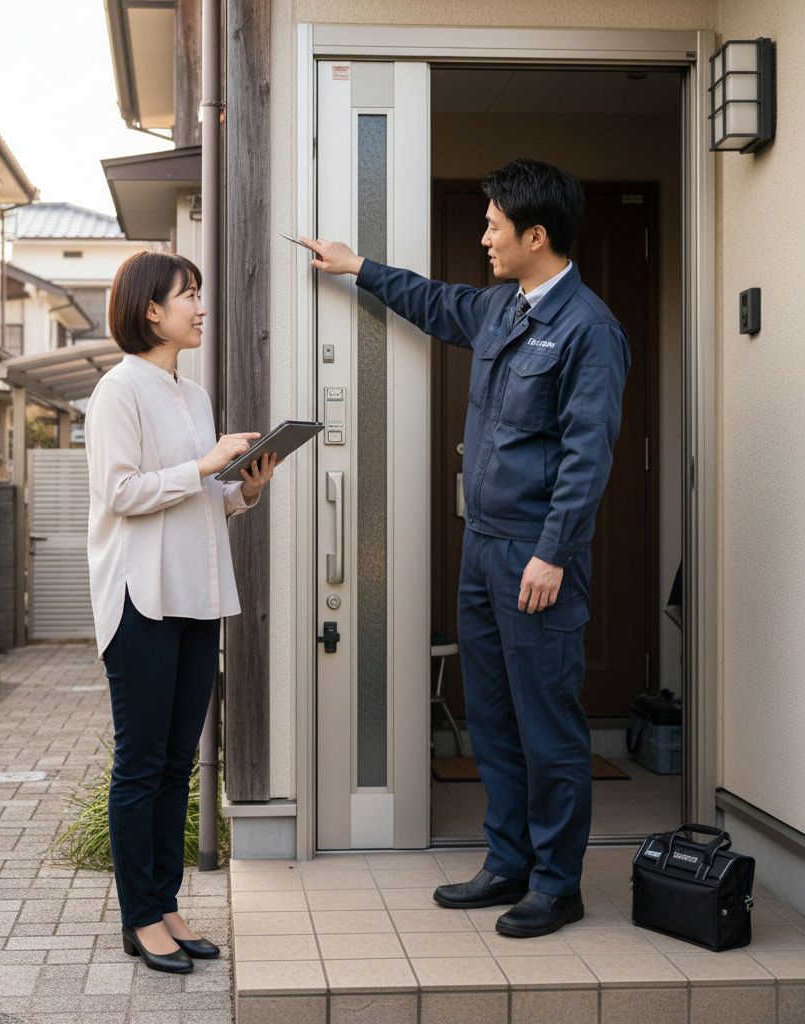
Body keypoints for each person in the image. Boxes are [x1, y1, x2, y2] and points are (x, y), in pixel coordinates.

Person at [303, 158, 630, 938]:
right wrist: (358, 267)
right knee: (490, 718)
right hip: (481, 550)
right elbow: (432, 302)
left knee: (546, 724)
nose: (483, 236)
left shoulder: (589, 330)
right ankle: (507, 862)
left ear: (536, 235)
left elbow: (589, 456)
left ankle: (557, 884)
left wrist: (553, 552)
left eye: (493, 225)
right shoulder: (502, 309)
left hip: (536, 556)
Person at [85, 250, 277, 972]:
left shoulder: (192, 397)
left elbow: (202, 500)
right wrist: (202, 466)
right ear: (150, 311)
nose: (200, 306)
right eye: (187, 294)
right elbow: (123, 493)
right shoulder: (117, 391)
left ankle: (165, 904)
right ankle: (140, 919)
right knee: (141, 764)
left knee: (176, 762)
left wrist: (245, 487)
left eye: (199, 293)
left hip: (197, 596)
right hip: (141, 599)